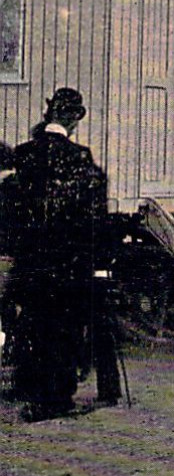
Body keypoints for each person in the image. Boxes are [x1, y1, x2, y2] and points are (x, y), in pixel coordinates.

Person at [1, 88, 116, 421]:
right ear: (74, 120)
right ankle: (56, 398)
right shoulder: (81, 159)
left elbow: (10, 210)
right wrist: (100, 259)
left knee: (32, 322)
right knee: (63, 328)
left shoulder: (23, 155)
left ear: (48, 113)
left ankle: (29, 385)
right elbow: (96, 218)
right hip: (68, 262)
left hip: (31, 259)